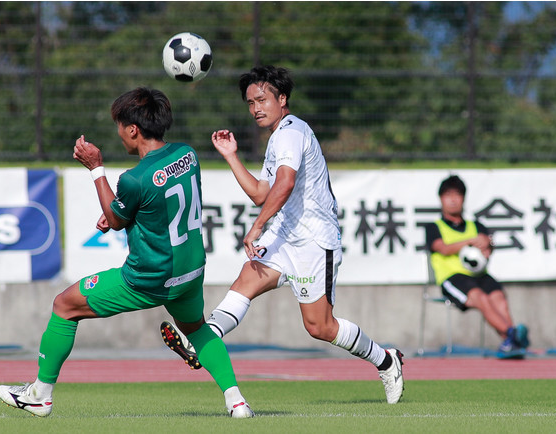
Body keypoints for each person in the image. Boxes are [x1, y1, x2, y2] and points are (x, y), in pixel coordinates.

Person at [0, 87, 254, 418]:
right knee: (197, 329)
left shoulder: (135, 178)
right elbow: (152, 209)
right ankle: (237, 402)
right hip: (190, 271)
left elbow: (118, 219)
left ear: (133, 129)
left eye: (120, 126)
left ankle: (40, 395)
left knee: (64, 305)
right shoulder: (187, 155)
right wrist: (121, 213)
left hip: (150, 278)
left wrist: (96, 168)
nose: (119, 134)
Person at [162, 65, 404, 404]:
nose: (256, 108)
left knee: (320, 327)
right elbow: (263, 192)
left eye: (262, 99)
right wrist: (231, 157)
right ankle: (200, 340)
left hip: (313, 242)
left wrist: (257, 226)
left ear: (282, 99)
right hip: (285, 236)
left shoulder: (291, 131)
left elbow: (285, 184)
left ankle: (386, 360)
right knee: (246, 280)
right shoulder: (278, 137)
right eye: (250, 103)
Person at [425, 174, 529, 357]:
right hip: (453, 278)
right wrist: (472, 241)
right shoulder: (434, 227)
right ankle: (512, 335)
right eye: (448, 195)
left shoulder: (477, 226)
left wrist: (488, 247)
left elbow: (488, 249)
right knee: (480, 297)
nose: (452, 200)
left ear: (464, 198)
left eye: (457, 195)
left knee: (498, 297)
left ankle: (511, 344)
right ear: (441, 199)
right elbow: (443, 248)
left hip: (479, 275)